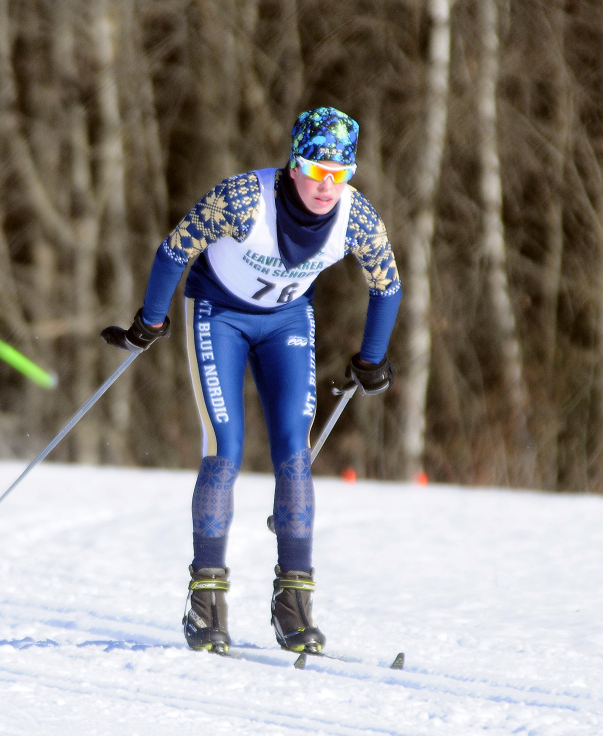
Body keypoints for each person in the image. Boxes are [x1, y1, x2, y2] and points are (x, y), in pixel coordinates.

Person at [101, 107, 401, 654]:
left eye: (340, 173)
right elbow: (175, 249)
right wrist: (149, 321)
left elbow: (388, 285)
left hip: (287, 321)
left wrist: (372, 359)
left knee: (294, 450)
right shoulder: (243, 199)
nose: (326, 186)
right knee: (226, 447)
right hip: (220, 314)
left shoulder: (355, 217)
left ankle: (293, 604)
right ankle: (206, 600)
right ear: (293, 165)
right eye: (315, 170)